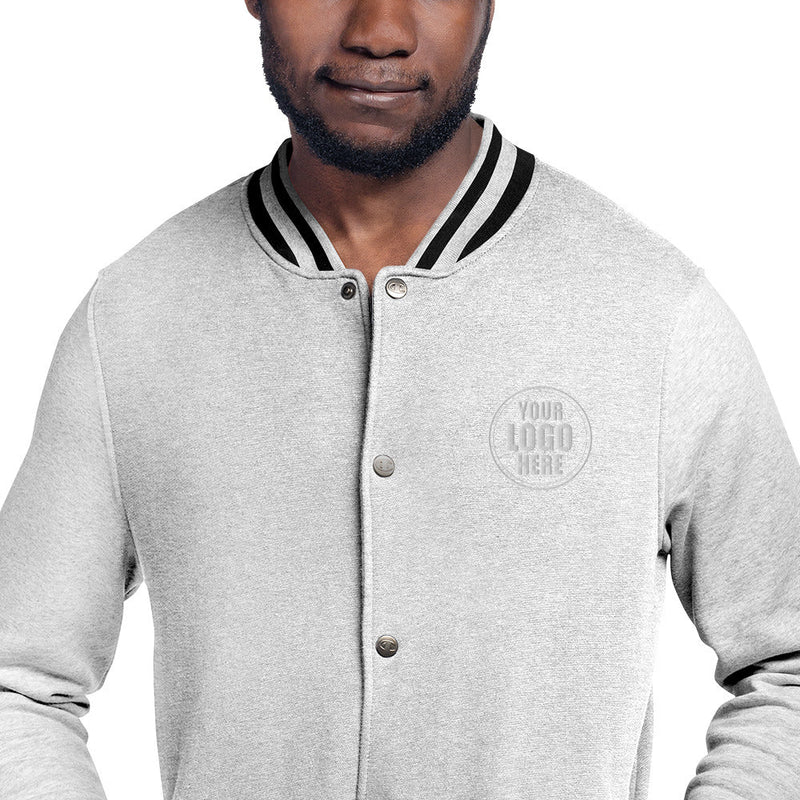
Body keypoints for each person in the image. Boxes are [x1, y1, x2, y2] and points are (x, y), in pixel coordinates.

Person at [1, 1, 798, 798]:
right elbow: (19, 681)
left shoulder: (653, 311)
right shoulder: (136, 315)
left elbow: (786, 664)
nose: (380, 31)